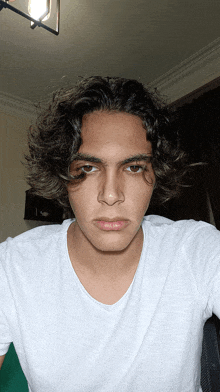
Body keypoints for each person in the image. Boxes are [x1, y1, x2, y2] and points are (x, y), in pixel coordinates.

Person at [0, 76, 219, 392]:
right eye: (88, 168)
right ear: (64, 176)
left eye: (133, 168)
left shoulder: (195, 250)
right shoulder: (11, 268)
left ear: (155, 175)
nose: (111, 195)